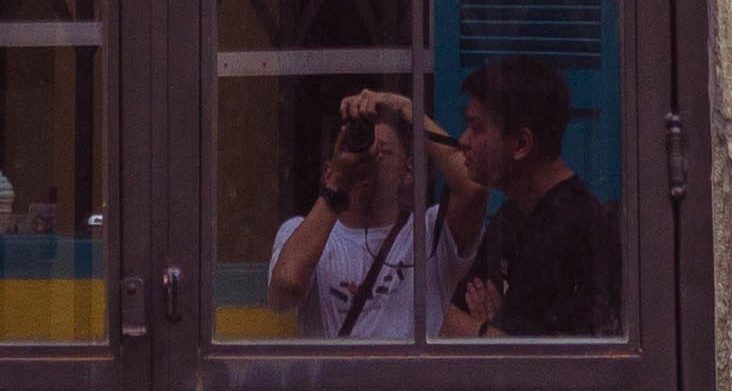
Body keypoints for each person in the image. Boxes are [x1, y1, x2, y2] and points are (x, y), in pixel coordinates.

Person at [437, 58, 624, 339]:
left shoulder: (576, 232)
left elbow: (527, 362)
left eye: (476, 128)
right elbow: (450, 318)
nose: (463, 140)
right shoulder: (510, 218)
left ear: (522, 145)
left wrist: (486, 333)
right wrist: (491, 332)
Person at [267, 84, 457, 341]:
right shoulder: (300, 233)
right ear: (328, 172)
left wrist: (403, 107)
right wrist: (337, 188)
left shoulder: (429, 232)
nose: (372, 160)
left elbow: (474, 186)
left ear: (408, 170)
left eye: (385, 152)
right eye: (361, 150)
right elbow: (284, 293)